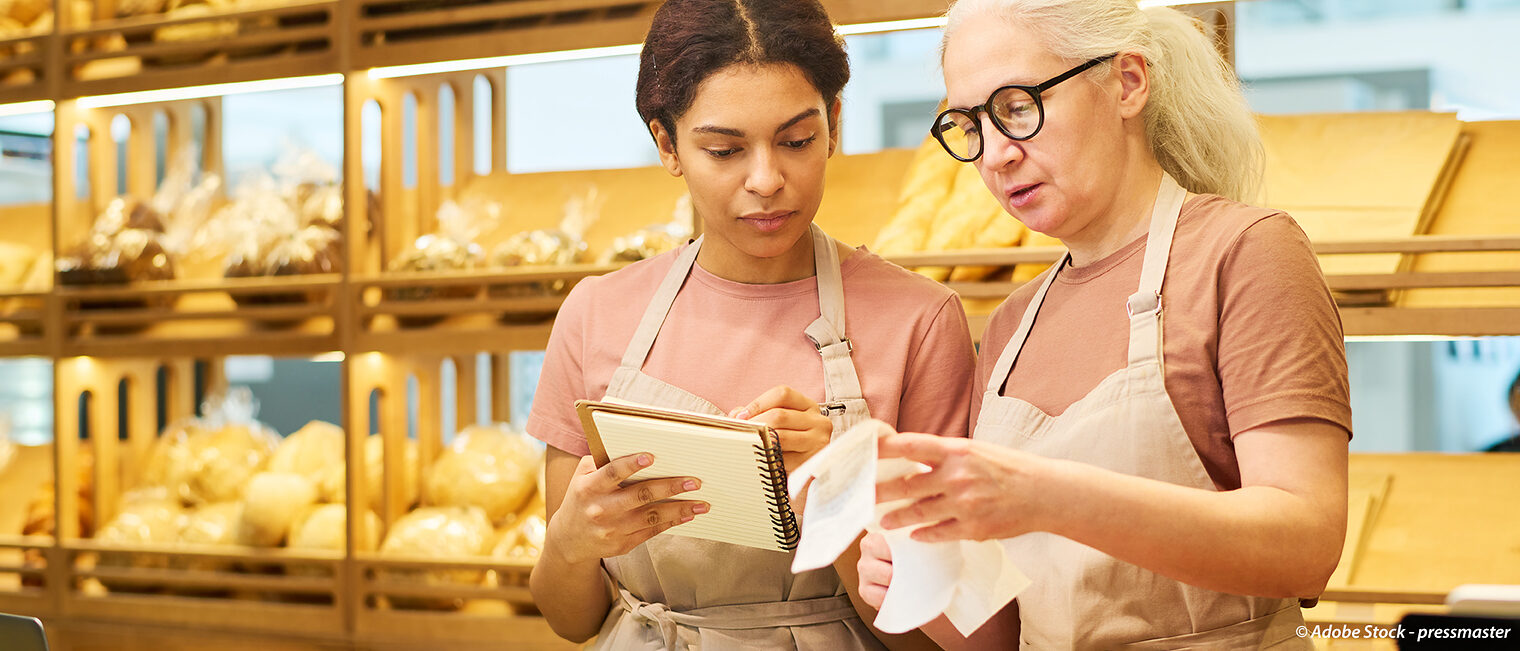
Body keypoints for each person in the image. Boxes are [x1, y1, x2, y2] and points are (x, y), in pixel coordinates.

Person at [856, 1, 1353, 649]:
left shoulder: (1246, 251)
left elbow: (1304, 545)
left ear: (1127, 82)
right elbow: (1006, 634)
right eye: (970, 124)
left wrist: (1043, 495)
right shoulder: (1011, 325)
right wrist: (922, 579)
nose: (996, 156)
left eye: (1017, 106)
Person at [525, 1, 975, 648]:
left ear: (836, 124)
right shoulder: (596, 314)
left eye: (796, 141)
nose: (767, 180)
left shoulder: (922, 322)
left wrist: (840, 488)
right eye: (724, 149)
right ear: (667, 145)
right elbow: (570, 618)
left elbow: (935, 637)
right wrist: (570, 541)